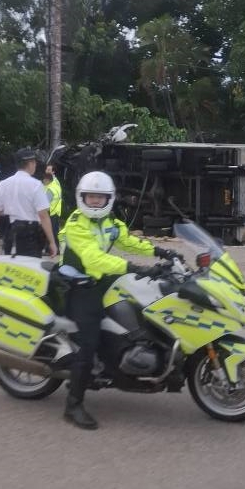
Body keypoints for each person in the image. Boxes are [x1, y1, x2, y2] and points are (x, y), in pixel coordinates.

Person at [58, 170, 177, 430]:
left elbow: (127, 241)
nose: (95, 203)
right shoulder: (77, 225)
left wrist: (160, 250)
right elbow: (94, 260)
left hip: (103, 281)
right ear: (82, 198)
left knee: (137, 309)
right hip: (79, 286)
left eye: (100, 198)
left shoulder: (109, 222)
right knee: (89, 342)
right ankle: (73, 404)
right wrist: (137, 268)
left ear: (109, 199)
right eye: (91, 198)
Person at [0, 148, 58, 258]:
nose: (35, 165)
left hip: (10, 235)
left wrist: (8, 210)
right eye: (35, 162)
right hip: (31, 237)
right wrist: (52, 243)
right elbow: (44, 216)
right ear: (30, 163)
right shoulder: (36, 185)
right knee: (30, 272)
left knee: (10, 270)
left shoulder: (4, 184)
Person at [43, 163, 63, 252]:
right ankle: (50, 249)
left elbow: (51, 196)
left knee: (52, 231)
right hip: (52, 210)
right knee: (52, 230)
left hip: (52, 210)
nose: (47, 171)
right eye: (46, 169)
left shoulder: (53, 183)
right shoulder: (50, 181)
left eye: (49, 170)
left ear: (53, 172)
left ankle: (53, 249)